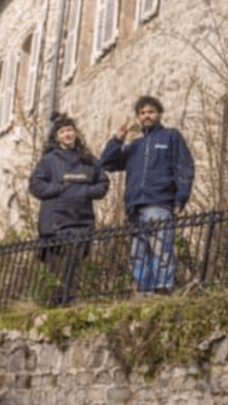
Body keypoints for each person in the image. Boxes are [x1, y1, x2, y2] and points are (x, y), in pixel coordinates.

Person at [100, 95, 195, 295]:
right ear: (138, 117)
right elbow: (107, 163)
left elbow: (184, 168)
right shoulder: (135, 145)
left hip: (159, 202)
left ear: (159, 114)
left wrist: (180, 199)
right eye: (142, 113)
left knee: (161, 250)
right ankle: (144, 292)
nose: (146, 116)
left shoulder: (171, 136)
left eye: (150, 112)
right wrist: (118, 139)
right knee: (138, 255)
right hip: (135, 207)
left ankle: (163, 290)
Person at [27, 115, 109, 304]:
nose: (67, 134)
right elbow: (36, 186)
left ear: (76, 133)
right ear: (56, 137)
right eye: (62, 131)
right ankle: (55, 307)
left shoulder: (88, 161)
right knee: (55, 274)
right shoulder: (48, 161)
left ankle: (68, 305)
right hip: (54, 225)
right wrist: (60, 188)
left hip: (81, 223)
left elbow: (103, 184)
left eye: (70, 130)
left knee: (74, 271)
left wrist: (84, 191)